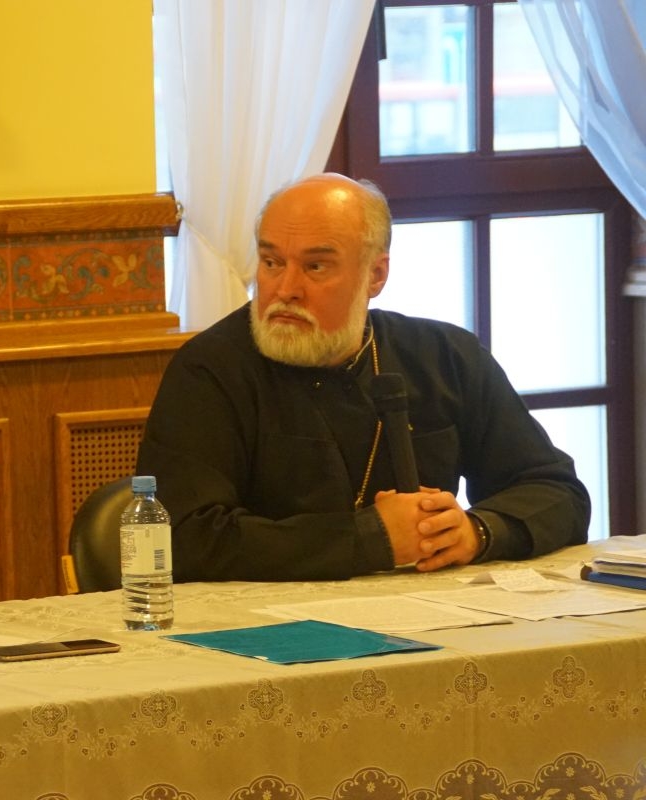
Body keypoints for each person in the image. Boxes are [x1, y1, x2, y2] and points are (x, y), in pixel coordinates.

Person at [137, 173, 589, 582]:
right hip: (263, 627)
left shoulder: (444, 356)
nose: (285, 289)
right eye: (272, 262)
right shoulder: (209, 370)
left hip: (429, 619)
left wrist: (477, 532)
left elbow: (557, 491)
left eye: (315, 267)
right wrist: (369, 538)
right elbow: (181, 536)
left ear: (376, 274)